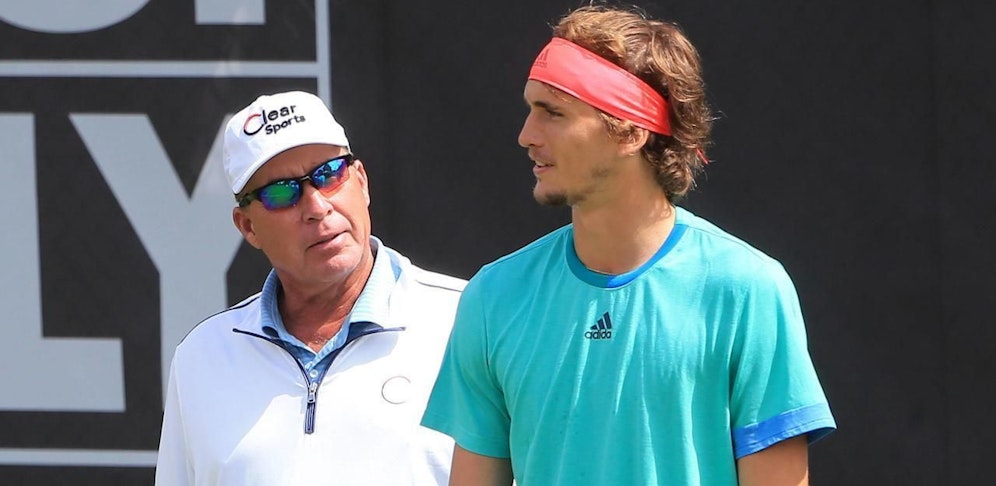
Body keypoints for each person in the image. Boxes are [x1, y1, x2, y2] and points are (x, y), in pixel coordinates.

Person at [421, 5, 836, 486]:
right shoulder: (493, 297)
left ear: (632, 131)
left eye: (553, 112)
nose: (525, 136)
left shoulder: (747, 289)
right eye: (530, 110)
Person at [155, 90, 464, 485]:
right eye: (281, 191)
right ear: (247, 226)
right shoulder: (201, 357)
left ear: (361, 181)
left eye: (329, 174)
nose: (317, 206)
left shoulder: (468, 322)